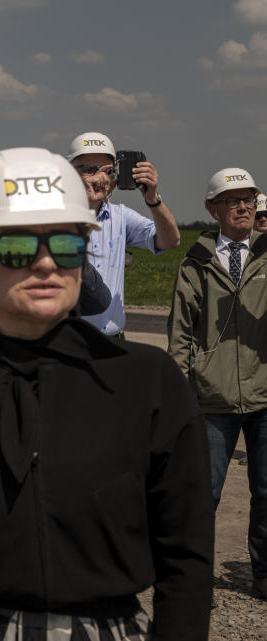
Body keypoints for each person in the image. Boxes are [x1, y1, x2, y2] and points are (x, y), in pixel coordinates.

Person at [0, 147, 213, 641]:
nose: (46, 263)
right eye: (17, 248)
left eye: (68, 245)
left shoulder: (149, 384)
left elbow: (186, 562)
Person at [167, 167, 267, 601]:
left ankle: (263, 573)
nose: (242, 206)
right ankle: (193, 578)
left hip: (265, 393)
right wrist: (180, 395)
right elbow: (181, 335)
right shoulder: (197, 262)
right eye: (232, 200)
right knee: (202, 494)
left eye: (248, 199)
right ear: (213, 209)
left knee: (266, 491)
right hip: (210, 399)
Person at [66, 132, 180, 337]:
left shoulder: (120, 216)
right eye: (90, 170)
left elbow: (171, 240)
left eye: (108, 171)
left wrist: (153, 198)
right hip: (68, 340)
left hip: (112, 341)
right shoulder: (53, 219)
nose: (100, 178)